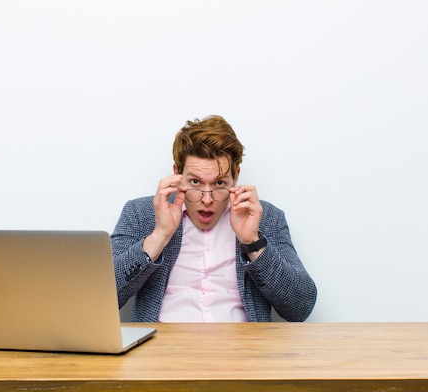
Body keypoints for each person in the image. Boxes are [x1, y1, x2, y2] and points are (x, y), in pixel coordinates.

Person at [111, 115, 317, 322]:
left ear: (235, 176)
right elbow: (104, 296)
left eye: (219, 183)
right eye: (195, 182)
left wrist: (253, 243)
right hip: (163, 348)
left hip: (243, 349)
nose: (207, 199)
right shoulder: (140, 214)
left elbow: (300, 308)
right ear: (177, 174)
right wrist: (159, 236)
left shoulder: (266, 217)